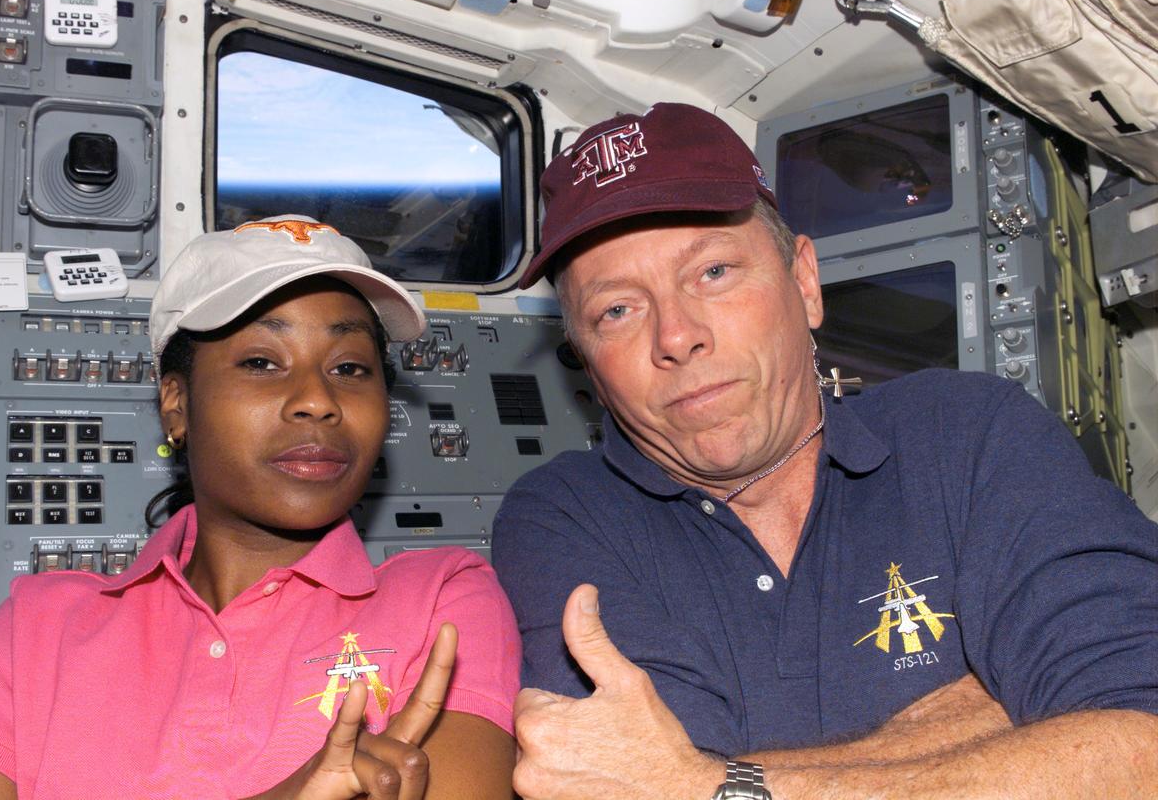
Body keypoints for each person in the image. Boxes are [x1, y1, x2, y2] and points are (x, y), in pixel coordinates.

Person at [491, 103, 1158, 799]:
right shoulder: (560, 517)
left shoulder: (970, 432)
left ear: (805, 283)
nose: (677, 336)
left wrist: (708, 783)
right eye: (616, 310)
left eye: (713, 271)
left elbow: (1142, 746)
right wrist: (993, 708)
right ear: (589, 364)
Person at [0, 215, 519, 800]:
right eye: (262, 362)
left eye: (350, 368)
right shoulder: (40, 624)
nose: (318, 400)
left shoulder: (443, 598)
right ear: (176, 405)